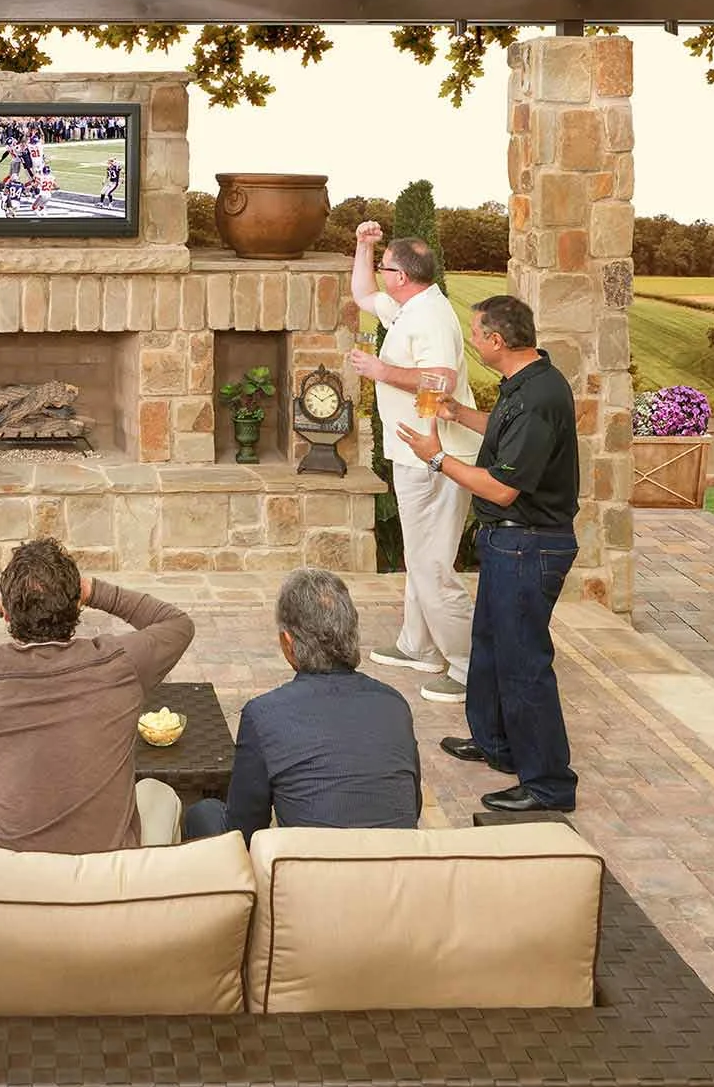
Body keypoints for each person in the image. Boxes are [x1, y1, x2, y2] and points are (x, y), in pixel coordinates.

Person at [395, 294, 581, 814]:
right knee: (492, 646)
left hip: (530, 543)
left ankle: (548, 784)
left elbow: (502, 488)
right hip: (508, 542)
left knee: (524, 663)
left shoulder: (540, 396)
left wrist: (436, 458)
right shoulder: (522, 386)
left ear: (497, 341)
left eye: (476, 334)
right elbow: (503, 432)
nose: (472, 342)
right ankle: (497, 744)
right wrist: (458, 413)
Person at [0, 538, 195, 853]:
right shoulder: (121, 662)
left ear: (6, 613)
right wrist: (94, 589)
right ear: (76, 606)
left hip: (11, 872)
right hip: (108, 870)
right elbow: (178, 624)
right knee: (158, 793)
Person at [183, 569, 420, 844]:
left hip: (311, 879)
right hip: (398, 873)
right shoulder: (394, 705)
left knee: (204, 813)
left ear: (288, 644)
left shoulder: (264, 715)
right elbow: (411, 808)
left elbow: (244, 832)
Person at [348, 223, 480, 704]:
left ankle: (467, 666)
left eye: (384, 266)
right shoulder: (408, 307)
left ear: (401, 275)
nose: (379, 275)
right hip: (413, 454)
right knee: (419, 555)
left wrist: (381, 371)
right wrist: (363, 246)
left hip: (434, 457)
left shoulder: (431, 319)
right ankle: (417, 645)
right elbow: (362, 293)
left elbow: (439, 381)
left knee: (432, 562)